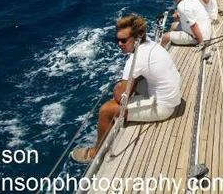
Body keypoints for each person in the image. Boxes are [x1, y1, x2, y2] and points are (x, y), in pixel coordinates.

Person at [70, 14, 181, 163]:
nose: (119, 44)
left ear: (137, 38)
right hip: (173, 98)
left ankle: (95, 153)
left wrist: (118, 87)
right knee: (132, 84)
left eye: (123, 40)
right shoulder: (151, 44)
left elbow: (119, 97)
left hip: (164, 107)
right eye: (117, 40)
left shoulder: (136, 59)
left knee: (106, 110)